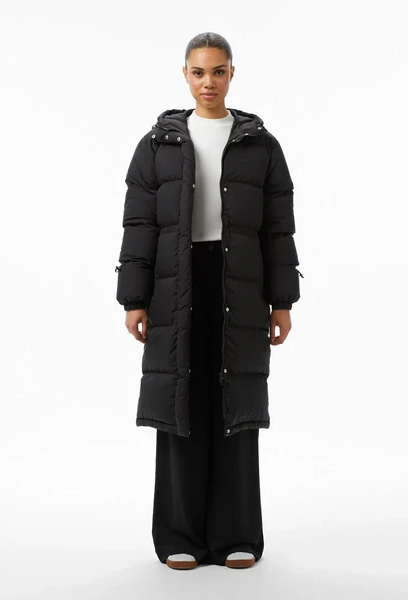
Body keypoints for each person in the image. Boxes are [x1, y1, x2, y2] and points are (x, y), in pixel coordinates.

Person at [115, 32, 302, 570]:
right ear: (185, 74)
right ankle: (179, 535)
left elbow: (278, 229)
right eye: (199, 72)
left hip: (239, 282)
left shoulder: (261, 145)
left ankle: (235, 534)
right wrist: (134, 298)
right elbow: (139, 225)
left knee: (234, 402)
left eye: (218, 71)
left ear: (232, 74)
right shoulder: (157, 145)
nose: (208, 82)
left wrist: (282, 301)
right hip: (175, 283)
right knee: (181, 403)